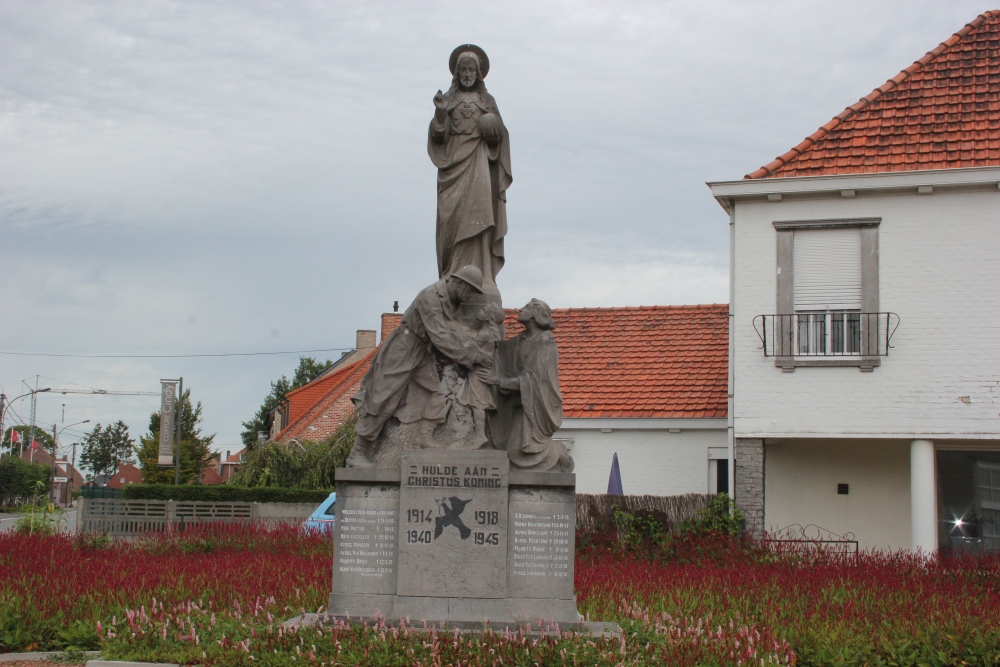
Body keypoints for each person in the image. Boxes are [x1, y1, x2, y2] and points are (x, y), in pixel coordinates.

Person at [347, 265, 493, 467]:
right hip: (402, 349)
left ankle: (423, 436)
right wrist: (473, 356)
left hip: (420, 351)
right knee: (383, 399)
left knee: (438, 391)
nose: (470, 296)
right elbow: (440, 336)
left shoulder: (450, 300)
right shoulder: (430, 297)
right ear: (459, 283)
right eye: (469, 290)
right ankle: (358, 452)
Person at [428, 45, 512, 296]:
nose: (467, 74)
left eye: (471, 70)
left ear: (478, 73)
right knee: (451, 221)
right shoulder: (449, 101)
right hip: (452, 167)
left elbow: (500, 137)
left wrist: (494, 130)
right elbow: (439, 136)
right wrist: (441, 113)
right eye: (462, 69)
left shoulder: (487, 101)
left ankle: (483, 274)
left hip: (479, 163)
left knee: (482, 215)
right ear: (457, 73)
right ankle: (451, 275)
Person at [484, 299, 574, 472]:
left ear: (534, 314)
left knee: (516, 452)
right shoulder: (522, 339)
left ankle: (558, 453)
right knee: (512, 449)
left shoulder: (545, 343)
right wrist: (490, 326)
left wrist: (498, 381)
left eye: (525, 307)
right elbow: (499, 350)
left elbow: (533, 379)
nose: (520, 309)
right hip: (522, 402)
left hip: (536, 404)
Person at [456, 302, 505, 447]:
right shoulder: (491, 333)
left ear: (489, 317)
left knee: (478, 404)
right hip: (480, 371)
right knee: (477, 404)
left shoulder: (485, 333)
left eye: (484, 309)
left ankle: (480, 435)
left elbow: (469, 348)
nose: (480, 310)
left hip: (479, 372)